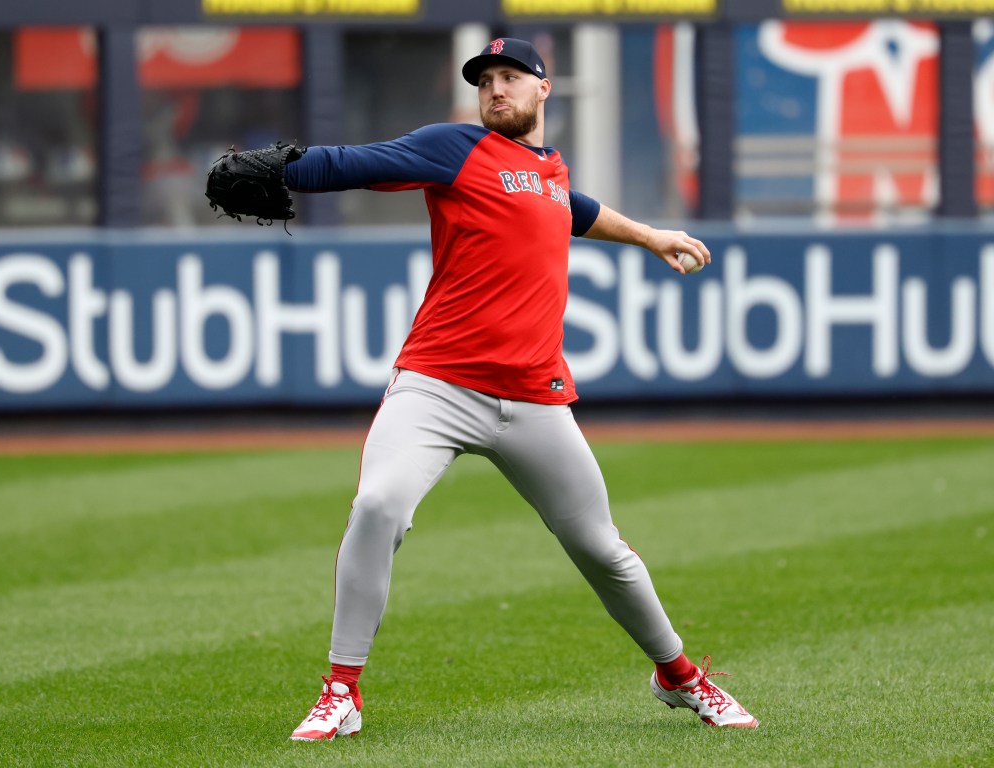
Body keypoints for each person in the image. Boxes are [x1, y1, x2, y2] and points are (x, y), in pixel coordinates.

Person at [285, 38, 758, 741]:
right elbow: (358, 163)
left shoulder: (548, 169)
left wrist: (650, 235)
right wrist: (287, 168)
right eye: (485, 80)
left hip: (535, 398)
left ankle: (679, 676)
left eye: (511, 77)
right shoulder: (455, 148)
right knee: (379, 503)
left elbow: (574, 207)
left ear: (544, 89)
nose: (495, 89)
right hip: (436, 387)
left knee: (603, 550)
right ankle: (341, 690)